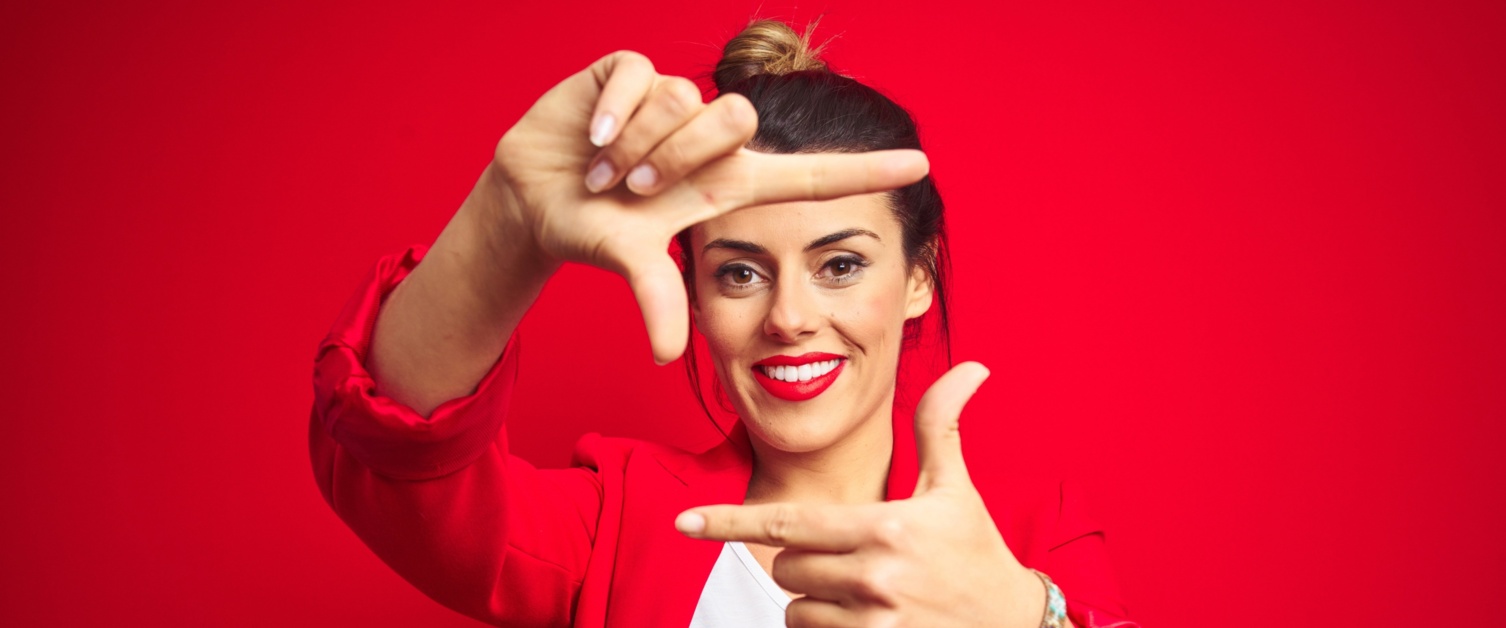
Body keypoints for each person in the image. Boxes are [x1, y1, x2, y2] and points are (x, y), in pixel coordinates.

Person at [310, 19, 1136, 628]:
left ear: (917, 277)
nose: (788, 317)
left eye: (840, 264)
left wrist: (1032, 620)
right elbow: (398, 469)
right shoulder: (622, 527)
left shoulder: (1028, 537)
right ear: (696, 298)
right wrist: (503, 222)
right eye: (740, 273)